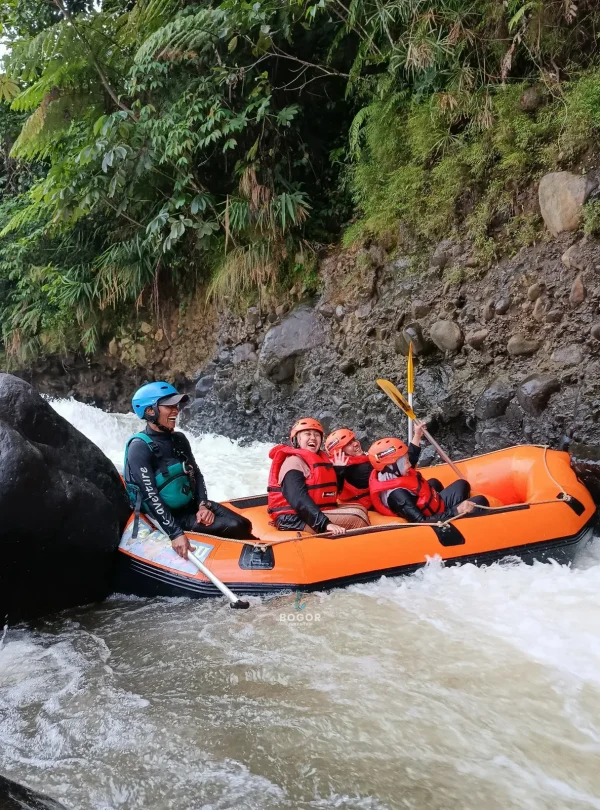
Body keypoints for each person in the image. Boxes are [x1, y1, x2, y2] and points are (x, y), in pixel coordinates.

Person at [124, 381, 252, 558]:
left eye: (176, 406)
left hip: (192, 506)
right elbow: (150, 495)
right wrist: (175, 533)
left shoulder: (179, 439)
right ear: (150, 411)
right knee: (234, 527)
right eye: (169, 406)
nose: (176, 411)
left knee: (243, 524)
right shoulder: (139, 447)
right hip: (171, 516)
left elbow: (196, 474)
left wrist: (202, 505)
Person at [268, 418, 370, 535]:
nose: (313, 438)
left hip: (313, 512)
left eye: (316, 435)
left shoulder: (318, 460)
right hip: (292, 519)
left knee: (361, 509)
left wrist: (338, 470)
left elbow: (331, 493)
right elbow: (298, 500)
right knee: (357, 518)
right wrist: (325, 524)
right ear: (296, 439)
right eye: (307, 434)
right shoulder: (293, 462)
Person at [368, 425, 489, 522]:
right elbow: (422, 522)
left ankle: (463, 515)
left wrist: (417, 435)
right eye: (404, 462)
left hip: (433, 508)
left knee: (462, 484)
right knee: (480, 502)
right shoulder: (398, 496)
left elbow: (411, 458)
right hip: (430, 520)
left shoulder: (389, 472)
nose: (409, 465)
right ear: (392, 465)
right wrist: (457, 510)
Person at [324, 428, 372, 509]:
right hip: (368, 506)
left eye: (354, 440)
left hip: (353, 504)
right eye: (349, 444)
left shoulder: (336, 469)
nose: (356, 444)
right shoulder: (363, 469)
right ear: (340, 453)